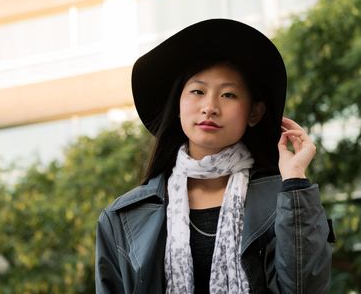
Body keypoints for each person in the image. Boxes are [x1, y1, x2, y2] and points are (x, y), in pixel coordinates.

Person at [95, 18, 332, 293]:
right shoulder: (123, 217)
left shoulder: (282, 201)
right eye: (197, 91)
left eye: (228, 95)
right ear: (177, 106)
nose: (210, 107)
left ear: (254, 113)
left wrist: (293, 181)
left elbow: (306, 288)